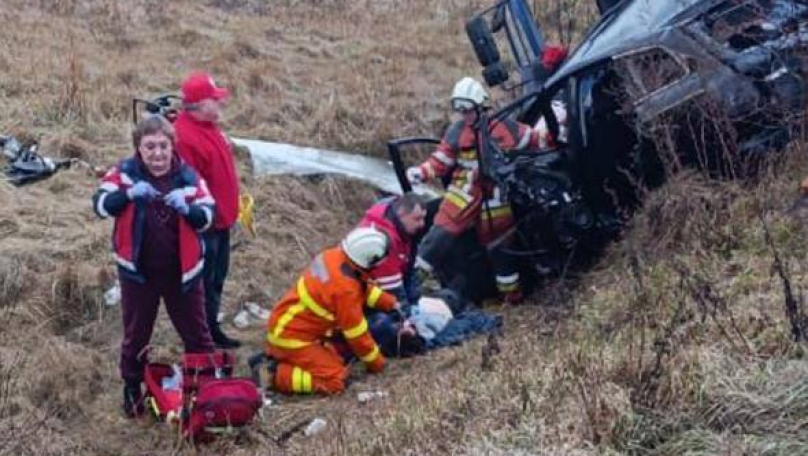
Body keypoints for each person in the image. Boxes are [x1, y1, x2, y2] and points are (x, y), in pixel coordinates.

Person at [92, 116, 216, 417]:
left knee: (197, 334)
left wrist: (189, 209)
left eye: (163, 145)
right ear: (139, 149)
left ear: (172, 146)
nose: (158, 154)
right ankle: (132, 387)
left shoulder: (188, 176)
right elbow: (99, 204)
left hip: (182, 274)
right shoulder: (125, 173)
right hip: (138, 274)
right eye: (150, 147)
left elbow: (209, 215)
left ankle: (207, 390)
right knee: (137, 334)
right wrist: (128, 195)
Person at [406, 77, 557, 304]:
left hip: (495, 196)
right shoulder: (457, 131)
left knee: (501, 249)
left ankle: (511, 297)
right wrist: (422, 171)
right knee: (439, 235)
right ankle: (416, 281)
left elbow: (534, 139)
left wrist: (555, 132)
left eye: (467, 109)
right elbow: (441, 160)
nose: (463, 115)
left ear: (480, 106)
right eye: (459, 110)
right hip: (463, 192)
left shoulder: (505, 126)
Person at [264, 227, 401, 395]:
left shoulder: (335, 257)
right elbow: (357, 335)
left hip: (288, 323)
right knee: (336, 381)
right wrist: (378, 364)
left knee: (336, 359)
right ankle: (274, 375)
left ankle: (281, 360)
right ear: (369, 260)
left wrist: (390, 303)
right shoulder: (345, 290)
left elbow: (362, 288)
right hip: (293, 337)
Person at [174, 71, 242, 349]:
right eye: (215, 99)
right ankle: (202, 337)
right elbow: (191, 188)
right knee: (202, 284)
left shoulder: (209, 127)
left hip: (222, 222)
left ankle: (211, 329)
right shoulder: (185, 138)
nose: (221, 104)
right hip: (206, 227)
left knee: (216, 280)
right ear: (200, 105)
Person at [358, 192, 428, 311]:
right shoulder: (383, 241)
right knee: (385, 324)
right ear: (401, 213)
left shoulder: (404, 231)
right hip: (361, 295)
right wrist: (408, 315)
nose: (422, 224)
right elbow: (393, 290)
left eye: (423, 218)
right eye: (417, 219)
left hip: (378, 289)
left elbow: (410, 269)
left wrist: (415, 302)